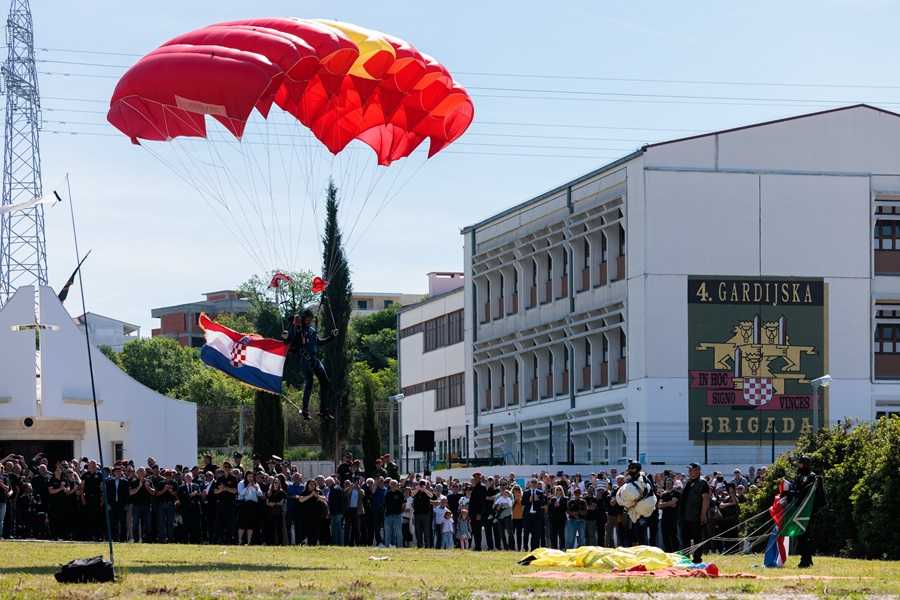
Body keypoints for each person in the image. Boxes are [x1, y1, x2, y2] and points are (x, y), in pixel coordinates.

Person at [284, 308, 338, 420]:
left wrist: (332, 337)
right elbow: (290, 340)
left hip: (314, 359)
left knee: (325, 383)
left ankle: (324, 410)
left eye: (311, 319)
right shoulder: (298, 329)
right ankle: (305, 410)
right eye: (307, 319)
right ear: (303, 318)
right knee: (310, 382)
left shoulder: (312, 330)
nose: (309, 321)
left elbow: (319, 342)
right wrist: (286, 336)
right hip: (304, 359)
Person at [791, 455, 826, 568]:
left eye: (800, 463)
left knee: (806, 535)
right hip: (799, 510)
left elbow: (807, 493)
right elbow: (796, 489)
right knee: (801, 535)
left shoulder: (812, 477)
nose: (799, 465)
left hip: (808, 511)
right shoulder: (799, 475)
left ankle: (806, 560)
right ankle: (806, 558)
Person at [679, 462, 710, 563]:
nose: (689, 472)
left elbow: (705, 499)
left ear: (697, 471)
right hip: (685, 516)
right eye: (689, 470)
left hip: (696, 516)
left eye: (691, 470)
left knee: (697, 538)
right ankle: (685, 558)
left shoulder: (702, 483)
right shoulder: (688, 482)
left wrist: (703, 514)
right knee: (685, 539)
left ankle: (697, 559)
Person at [237, 472, 263, 545]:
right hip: (244, 505)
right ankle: (240, 541)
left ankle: (249, 542)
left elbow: (260, 494)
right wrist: (247, 487)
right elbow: (241, 493)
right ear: (246, 477)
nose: (251, 478)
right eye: (249, 476)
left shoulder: (256, 484)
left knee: (250, 525)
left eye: (252, 476)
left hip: (253, 506)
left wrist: (256, 488)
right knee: (242, 524)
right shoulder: (241, 483)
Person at [105, 465, 130, 542]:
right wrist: (108, 504)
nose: (118, 473)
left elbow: (127, 494)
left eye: (119, 472)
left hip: (121, 504)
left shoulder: (125, 481)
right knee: (113, 522)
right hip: (112, 504)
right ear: (114, 473)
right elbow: (107, 494)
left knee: (123, 522)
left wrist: (126, 504)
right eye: (116, 472)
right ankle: (114, 538)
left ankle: (123, 538)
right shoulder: (109, 482)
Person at [412, 480, 435, 548]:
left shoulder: (427, 492)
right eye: (420, 485)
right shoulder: (416, 491)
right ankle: (419, 545)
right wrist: (418, 488)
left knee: (426, 531)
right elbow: (412, 494)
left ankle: (427, 546)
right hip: (417, 514)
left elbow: (431, 496)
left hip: (426, 514)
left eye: (423, 485)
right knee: (418, 531)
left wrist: (424, 489)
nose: (422, 486)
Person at [383, 479, 404, 548]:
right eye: (392, 484)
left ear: (397, 485)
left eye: (395, 484)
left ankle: (400, 547)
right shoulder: (387, 493)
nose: (393, 486)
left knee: (399, 532)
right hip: (388, 515)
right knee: (387, 532)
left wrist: (400, 512)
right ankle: (387, 546)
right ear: (390, 485)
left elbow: (403, 504)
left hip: (397, 515)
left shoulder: (400, 493)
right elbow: (384, 504)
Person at [468, 473, 487, 550]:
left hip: (478, 513)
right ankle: (473, 546)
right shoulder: (472, 487)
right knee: (473, 530)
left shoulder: (482, 488)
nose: (475, 479)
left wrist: (480, 513)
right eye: (474, 478)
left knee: (477, 531)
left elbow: (483, 502)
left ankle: (478, 547)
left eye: (477, 478)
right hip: (472, 513)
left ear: (480, 478)